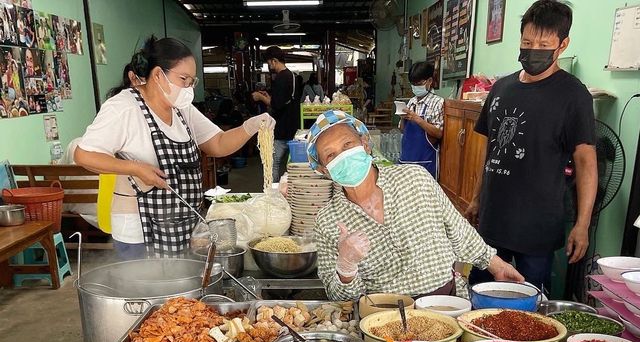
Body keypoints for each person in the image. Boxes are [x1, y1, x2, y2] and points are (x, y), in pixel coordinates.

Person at [75, 36, 274, 258]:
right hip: (139, 230)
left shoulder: (181, 109)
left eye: (192, 81)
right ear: (158, 75)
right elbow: (84, 155)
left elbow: (217, 144)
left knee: (182, 289)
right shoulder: (124, 108)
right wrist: (135, 168)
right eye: (183, 79)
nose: (188, 87)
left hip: (184, 225)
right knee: (150, 289)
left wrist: (250, 127)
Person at [307, 110, 523, 301]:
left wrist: (498, 265)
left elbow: (459, 230)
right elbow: (337, 296)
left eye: (347, 144)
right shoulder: (327, 221)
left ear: (364, 143)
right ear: (325, 170)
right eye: (331, 155)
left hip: (446, 304)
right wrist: (346, 267)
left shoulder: (415, 178)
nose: (343, 156)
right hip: (383, 320)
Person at [466, 0, 597, 293]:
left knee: (527, 307)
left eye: (543, 43)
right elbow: (489, 151)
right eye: (527, 41)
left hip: (537, 226)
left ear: (562, 45)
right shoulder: (501, 88)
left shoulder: (573, 95)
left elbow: (586, 162)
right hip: (493, 219)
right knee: (479, 296)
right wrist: (477, 198)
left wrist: (582, 224)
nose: (533, 49)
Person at [251, 46, 301, 182]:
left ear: (274, 61)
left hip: (281, 128)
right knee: (293, 166)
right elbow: (283, 100)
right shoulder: (291, 76)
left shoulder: (281, 78)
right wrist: (268, 96)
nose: (269, 65)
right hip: (292, 126)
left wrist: (260, 98)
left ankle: (272, 192)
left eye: (269, 62)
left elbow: (276, 105)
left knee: (273, 164)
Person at [399, 61, 444, 179]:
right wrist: (403, 119)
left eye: (419, 83)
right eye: (413, 84)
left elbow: (439, 133)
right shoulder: (411, 102)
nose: (415, 87)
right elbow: (403, 130)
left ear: (429, 81)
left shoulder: (438, 103)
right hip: (406, 160)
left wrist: (417, 119)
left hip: (425, 163)